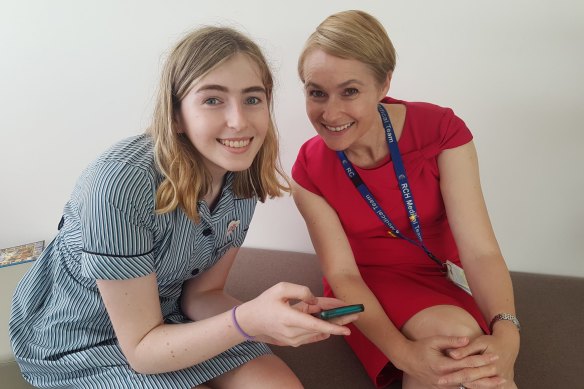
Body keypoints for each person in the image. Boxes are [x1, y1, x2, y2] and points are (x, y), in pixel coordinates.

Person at [9, 26, 359, 389]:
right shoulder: (118, 182)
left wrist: (274, 319)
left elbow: (201, 295)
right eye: (213, 100)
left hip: (168, 315)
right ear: (176, 114)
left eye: (253, 99)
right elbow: (143, 350)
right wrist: (246, 322)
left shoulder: (242, 175)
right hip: (78, 341)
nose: (239, 121)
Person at [291, 10, 520, 389]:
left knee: (477, 360)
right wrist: (402, 352)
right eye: (317, 93)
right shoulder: (308, 168)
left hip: (442, 274)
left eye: (350, 91)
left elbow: (480, 251)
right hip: (365, 286)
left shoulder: (441, 130)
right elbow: (343, 274)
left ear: (384, 84)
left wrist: (508, 330)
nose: (330, 113)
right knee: (455, 345)